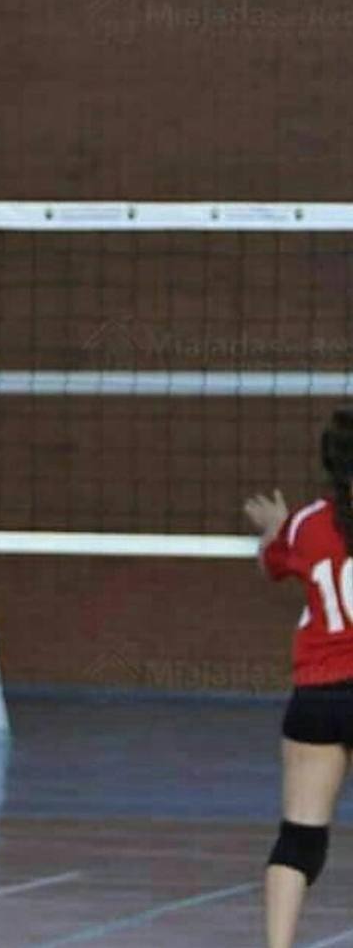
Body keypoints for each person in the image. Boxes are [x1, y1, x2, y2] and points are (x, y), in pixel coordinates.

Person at [244, 406, 353, 948]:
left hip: (319, 696)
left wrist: (274, 528)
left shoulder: (308, 523)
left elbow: (270, 563)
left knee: (300, 838)